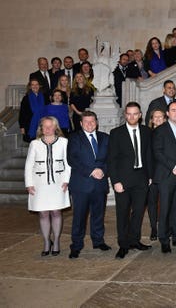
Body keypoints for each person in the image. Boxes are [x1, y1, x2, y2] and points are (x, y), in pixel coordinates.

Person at [107, 102, 153, 259]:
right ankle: (123, 245)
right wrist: (115, 181)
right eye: (129, 114)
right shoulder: (116, 133)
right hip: (123, 180)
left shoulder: (147, 131)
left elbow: (149, 155)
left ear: (140, 115)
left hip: (142, 179)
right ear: (125, 115)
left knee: (139, 212)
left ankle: (135, 240)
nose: (132, 116)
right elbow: (112, 160)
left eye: (135, 113)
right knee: (122, 213)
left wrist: (150, 176)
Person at [24, 116, 70, 256]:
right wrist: (29, 184)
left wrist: (66, 180)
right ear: (41, 128)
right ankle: (46, 241)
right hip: (39, 184)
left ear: (56, 127)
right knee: (43, 213)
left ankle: (56, 241)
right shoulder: (35, 144)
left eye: (51, 126)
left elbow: (68, 163)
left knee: (56, 212)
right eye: (45, 126)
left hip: (58, 183)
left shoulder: (64, 142)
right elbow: (28, 165)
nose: (48, 129)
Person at [67, 111, 111, 258]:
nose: (89, 124)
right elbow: (72, 160)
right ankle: (76, 245)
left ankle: (98, 241)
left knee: (98, 215)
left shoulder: (105, 138)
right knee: (79, 217)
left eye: (92, 121)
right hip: (81, 185)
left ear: (96, 122)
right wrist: (92, 171)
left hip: (100, 183)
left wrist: (103, 170)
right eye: (86, 122)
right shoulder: (74, 138)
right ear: (80, 124)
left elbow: (111, 159)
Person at [153, 101, 176, 253]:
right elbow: (158, 152)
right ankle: (164, 239)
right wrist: (174, 166)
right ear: (167, 113)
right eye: (173, 110)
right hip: (166, 175)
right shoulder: (160, 130)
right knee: (165, 209)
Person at [145, 108, 166, 240]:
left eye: (160, 117)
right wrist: (148, 176)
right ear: (151, 120)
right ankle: (153, 228)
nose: (158, 119)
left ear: (165, 119)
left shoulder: (169, 133)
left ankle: (164, 228)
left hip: (166, 174)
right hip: (151, 174)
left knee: (165, 203)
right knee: (152, 202)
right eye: (155, 117)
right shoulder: (146, 134)